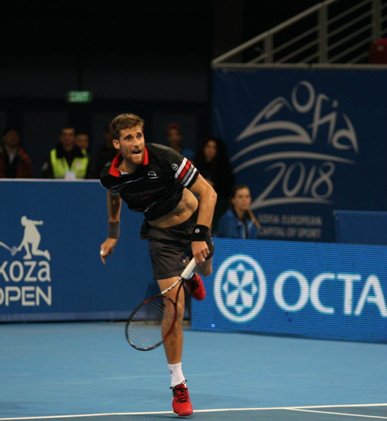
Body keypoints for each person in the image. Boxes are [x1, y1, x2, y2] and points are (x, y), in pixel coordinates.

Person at [99, 113, 217, 417]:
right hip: (161, 237)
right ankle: (179, 384)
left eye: (139, 135)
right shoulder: (111, 175)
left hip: (193, 224)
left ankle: (191, 275)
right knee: (173, 309)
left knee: (206, 269)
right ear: (117, 144)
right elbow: (115, 196)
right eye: (128, 138)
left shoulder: (165, 158)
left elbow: (209, 193)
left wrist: (200, 236)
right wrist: (113, 235)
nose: (136, 142)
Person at [193, 136, 234, 231]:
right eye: (208, 146)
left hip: (217, 205)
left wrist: (213, 186)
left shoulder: (224, 168)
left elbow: (227, 189)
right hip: (197, 202)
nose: (210, 150)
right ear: (203, 148)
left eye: (214, 147)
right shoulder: (196, 165)